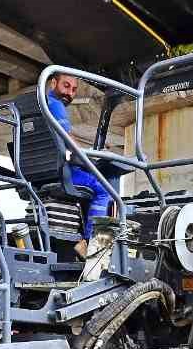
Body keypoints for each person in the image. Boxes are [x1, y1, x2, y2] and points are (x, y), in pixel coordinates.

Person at [43, 72, 129, 257]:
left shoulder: (39, 107)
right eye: (66, 86)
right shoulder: (55, 106)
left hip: (42, 172)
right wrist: (91, 154)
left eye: (74, 89)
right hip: (63, 172)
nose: (70, 93)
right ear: (52, 83)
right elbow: (69, 143)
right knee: (104, 189)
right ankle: (91, 245)